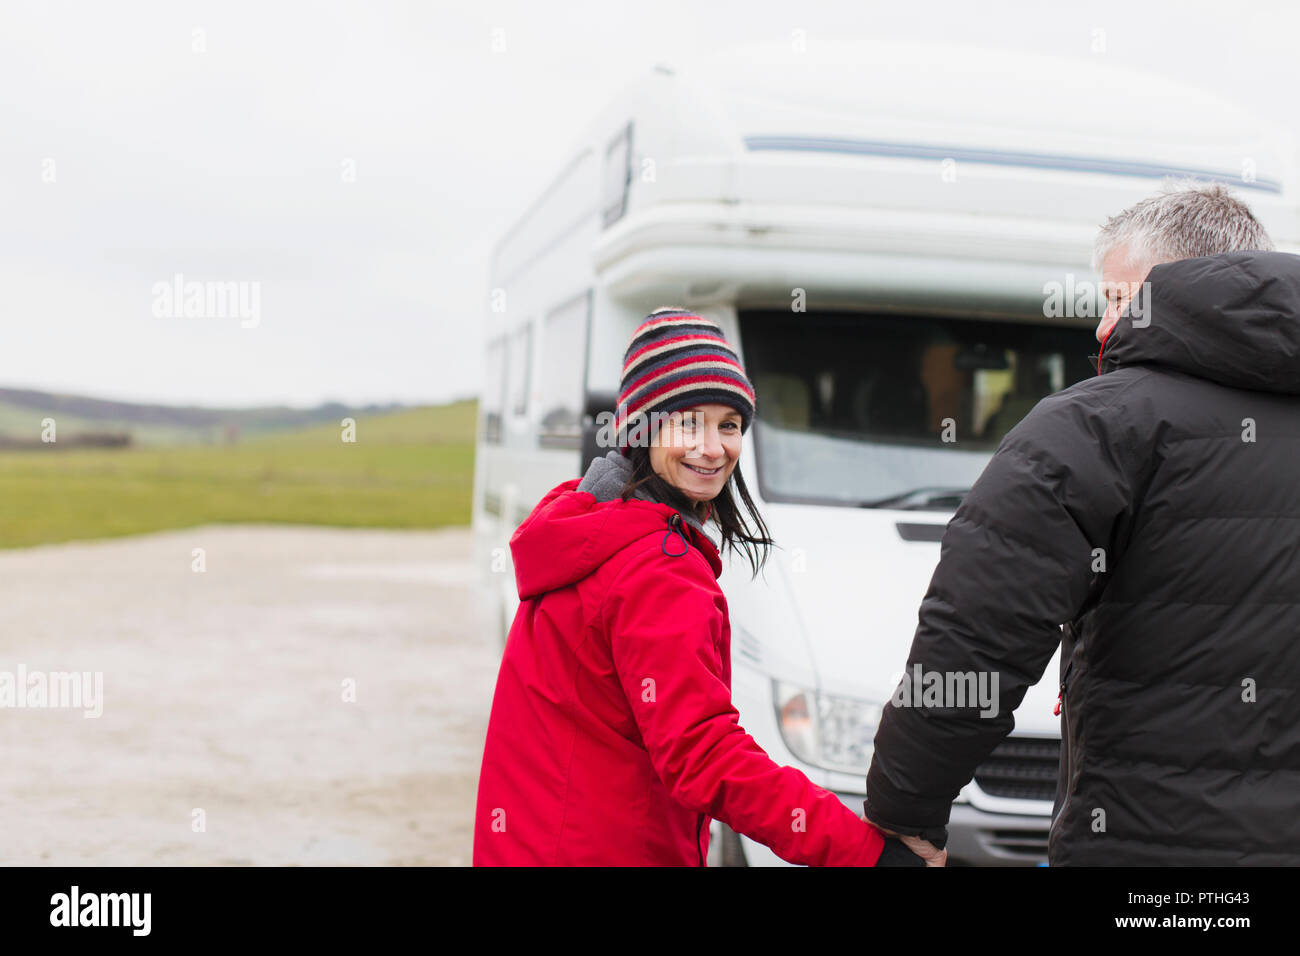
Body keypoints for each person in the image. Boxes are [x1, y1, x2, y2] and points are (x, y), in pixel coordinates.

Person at [863, 180, 1300, 865]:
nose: (1103, 328)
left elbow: (978, 636)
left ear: (1177, 286)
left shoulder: (1099, 426)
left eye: (1119, 301)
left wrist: (904, 813)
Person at [474, 309, 939, 865]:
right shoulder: (655, 568)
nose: (713, 448)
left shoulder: (582, 527)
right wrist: (866, 852)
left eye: (729, 424)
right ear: (640, 430)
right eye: (687, 422)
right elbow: (703, 754)